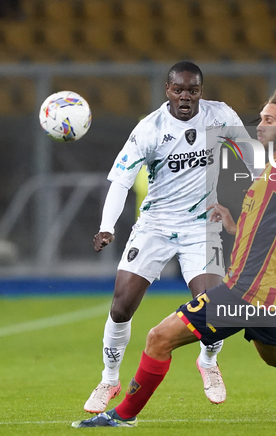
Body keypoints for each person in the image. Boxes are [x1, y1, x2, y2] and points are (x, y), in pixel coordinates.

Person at [73, 88, 276, 428]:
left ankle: (122, 416)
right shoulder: (274, 168)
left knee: (159, 338)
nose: (258, 125)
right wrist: (233, 224)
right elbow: (271, 225)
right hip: (265, 298)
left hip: (244, 292)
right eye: (259, 117)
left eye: (268, 119)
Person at [83, 61, 261, 413]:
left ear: (200, 91)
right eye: (178, 90)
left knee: (215, 309)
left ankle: (208, 363)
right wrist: (108, 226)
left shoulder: (219, 116)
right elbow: (120, 181)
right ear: (167, 90)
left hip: (201, 225)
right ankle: (109, 378)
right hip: (155, 226)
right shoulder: (149, 129)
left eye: (192, 90)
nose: (185, 97)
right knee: (121, 306)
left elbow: (251, 158)